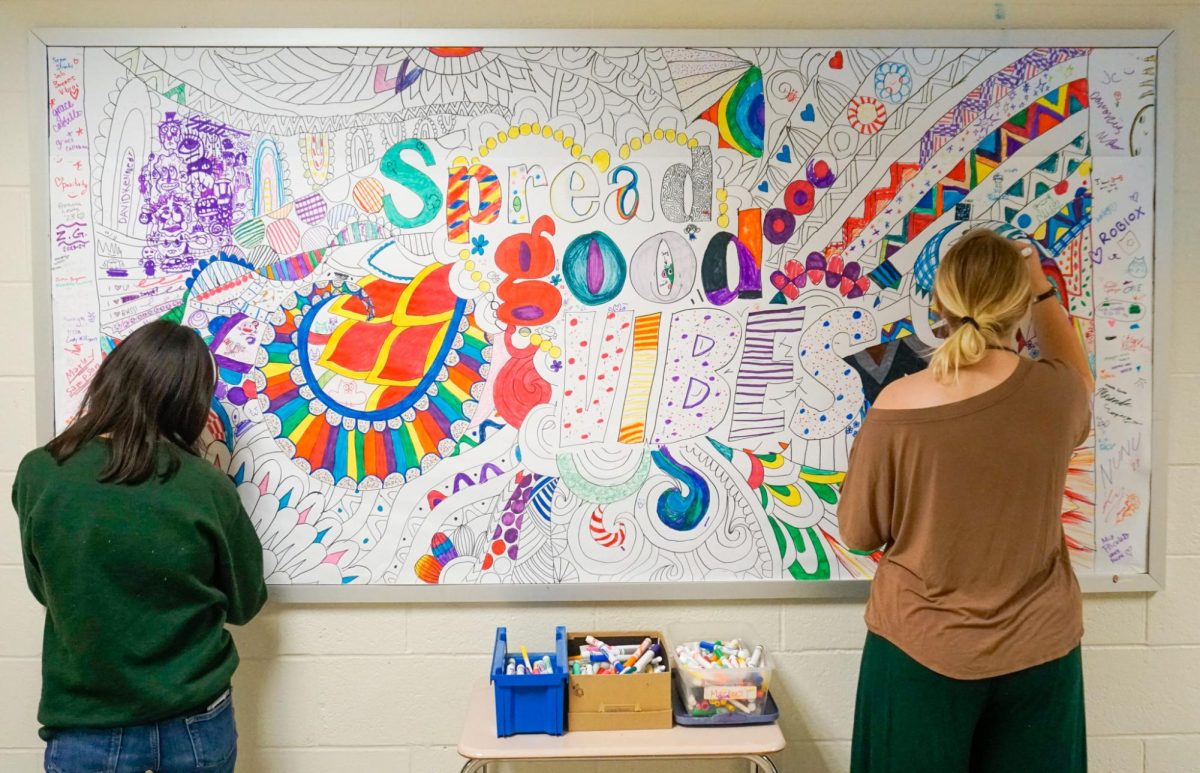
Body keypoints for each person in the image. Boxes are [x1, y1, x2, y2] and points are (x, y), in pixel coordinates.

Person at [839, 228, 1093, 773]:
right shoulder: (1059, 395)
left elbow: (859, 532)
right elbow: (1076, 371)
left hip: (919, 649)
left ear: (938, 306)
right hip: (1039, 654)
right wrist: (1041, 288)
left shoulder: (898, 405)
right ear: (1021, 303)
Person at [13, 320, 268, 773]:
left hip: (84, 724)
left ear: (113, 379)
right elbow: (245, 604)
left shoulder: (41, 472)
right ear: (188, 402)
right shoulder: (205, 485)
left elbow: (45, 588)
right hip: (195, 721)